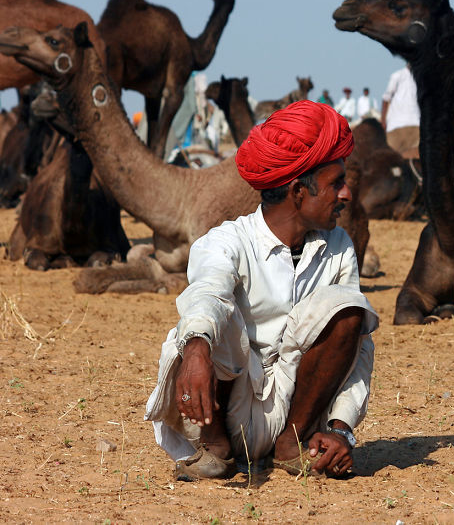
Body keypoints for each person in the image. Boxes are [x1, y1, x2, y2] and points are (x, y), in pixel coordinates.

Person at [145, 100, 379, 481]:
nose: (346, 194)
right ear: (298, 191)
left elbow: (358, 347)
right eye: (335, 183)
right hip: (226, 401)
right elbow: (207, 292)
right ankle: (214, 445)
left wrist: (340, 429)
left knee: (351, 310)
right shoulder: (226, 241)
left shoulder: (338, 247)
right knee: (210, 319)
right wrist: (197, 348)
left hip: (298, 416)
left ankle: (293, 445)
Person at [381, 64, 420, 133]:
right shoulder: (397, 76)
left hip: (415, 123)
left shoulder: (420, 77)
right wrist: (383, 121)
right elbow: (386, 99)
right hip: (396, 125)